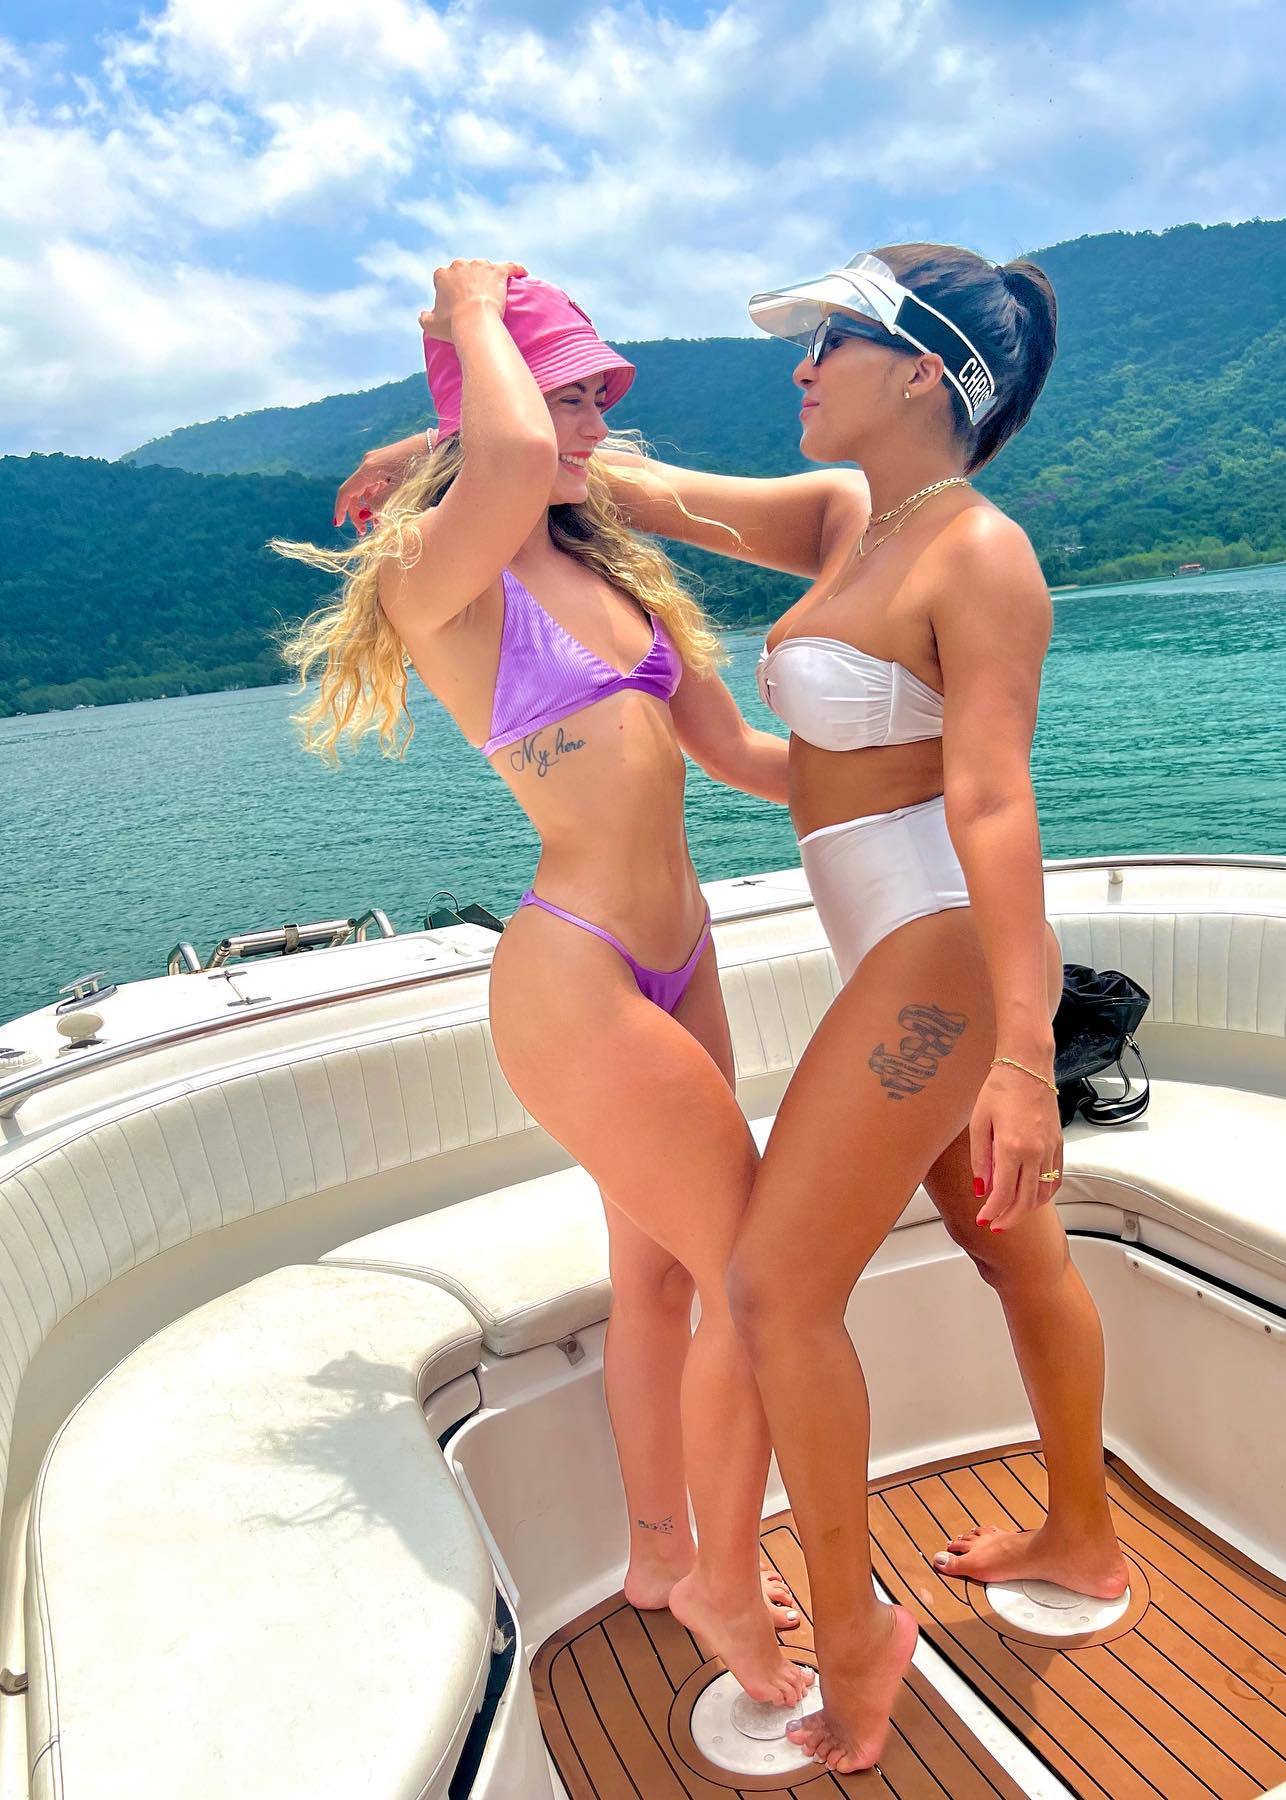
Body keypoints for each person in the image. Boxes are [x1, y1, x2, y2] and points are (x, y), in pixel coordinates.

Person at [588, 244, 1129, 1771]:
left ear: (922, 373)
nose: (802, 367)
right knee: (1010, 1248)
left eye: (830, 341)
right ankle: (1083, 1540)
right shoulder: (847, 521)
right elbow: (649, 496)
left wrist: (1019, 1058)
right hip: (891, 950)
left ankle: (848, 1641)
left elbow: (990, 801)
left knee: (772, 1290)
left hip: (941, 958)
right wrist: (467, 445)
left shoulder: (980, 554)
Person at [278, 258, 811, 1709]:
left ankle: (659, 1557)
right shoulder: (434, 569)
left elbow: (742, 759)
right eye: (563, 393)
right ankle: (725, 1573)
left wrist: (931, 772)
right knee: (756, 1279)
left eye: (595, 397)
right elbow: (507, 455)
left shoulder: (608, 571)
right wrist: (464, 311)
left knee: (661, 1280)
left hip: (681, 957)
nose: (587, 424)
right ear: (494, 404)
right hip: (578, 974)